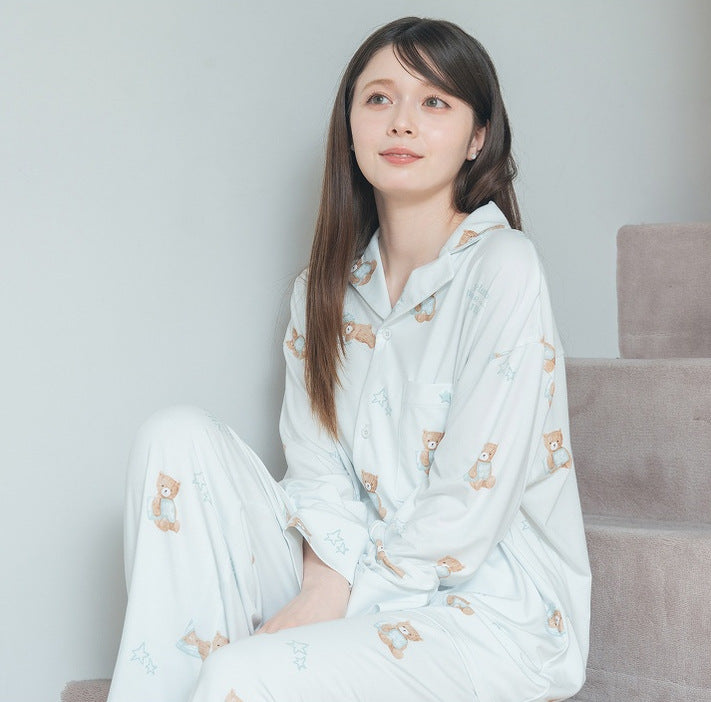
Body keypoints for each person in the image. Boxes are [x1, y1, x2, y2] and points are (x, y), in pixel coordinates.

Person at [106, 16, 591, 702]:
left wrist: (334, 603)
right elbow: (317, 473)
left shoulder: (503, 267)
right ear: (351, 124)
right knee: (174, 436)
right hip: (353, 569)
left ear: (476, 137)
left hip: (487, 613)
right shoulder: (322, 292)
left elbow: (468, 504)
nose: (401, 121)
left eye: (434, 102)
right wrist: (322, 582)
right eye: (379, 98)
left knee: (238, 674)